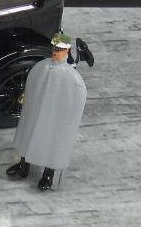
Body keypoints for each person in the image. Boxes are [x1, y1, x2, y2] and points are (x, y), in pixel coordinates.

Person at [5, 33, 88, 191]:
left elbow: (79, 96)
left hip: (56, 116)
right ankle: (23, 165)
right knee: (28, 134)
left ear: (67, 50)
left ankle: (48, 174)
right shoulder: (41, 66)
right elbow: (31, 84)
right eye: (54, 48)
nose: (55, 52)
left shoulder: (71, 76)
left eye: (59, 49)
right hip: (35, 110)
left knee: (52, 142)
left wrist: (68, 113)